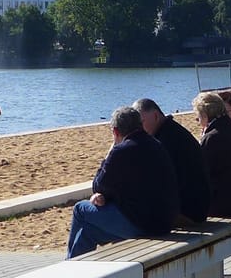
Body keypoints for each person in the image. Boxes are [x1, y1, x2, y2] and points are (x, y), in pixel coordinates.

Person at [66, 105, 179, 257]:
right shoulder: (156, 145)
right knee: (88, 232)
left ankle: (70, 269)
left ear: (116, 131)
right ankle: (75, 269)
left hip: (143, 225)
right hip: (164, 222)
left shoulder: (121, 151)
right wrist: (105, 196)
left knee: (80, 209)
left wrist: (111, 150)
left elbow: (98, 184)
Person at [135, 97, 209, 223]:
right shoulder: (173, 131)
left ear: (155, 116)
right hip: (198, 207)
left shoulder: (166, 141)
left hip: (188, 211)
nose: (139, 128)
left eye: (141, 122)